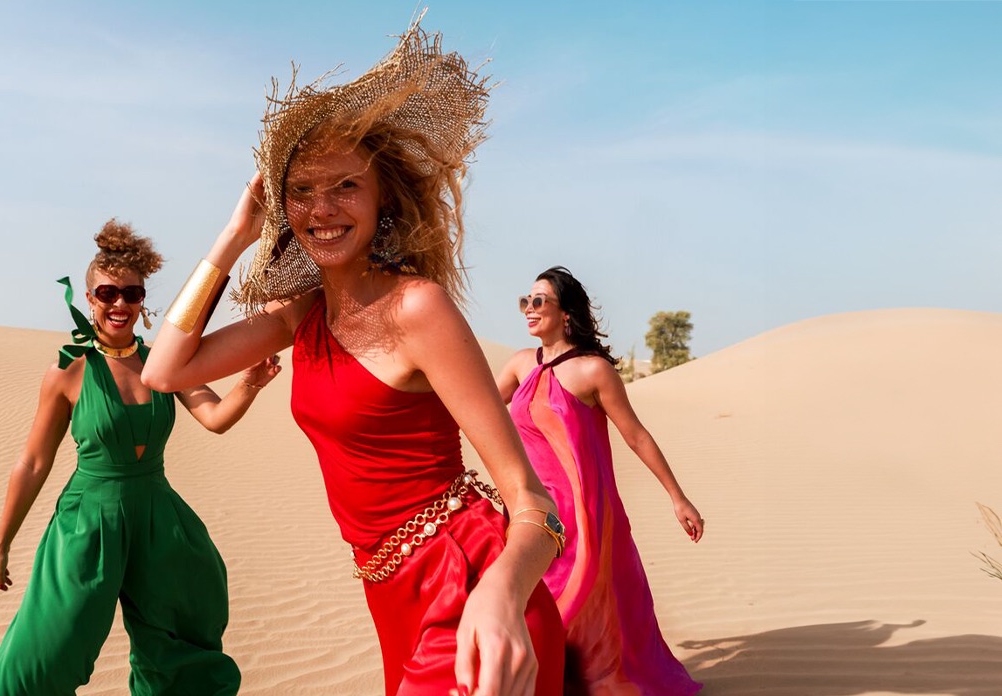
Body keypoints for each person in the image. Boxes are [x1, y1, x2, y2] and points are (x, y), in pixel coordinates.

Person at [141, 22, 567, 696]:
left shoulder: (418, 308)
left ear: (381, 199)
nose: (322, 209)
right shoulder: (303, 315)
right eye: (301, 191)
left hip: (468, 587)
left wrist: (500, 597)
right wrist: (231, 236)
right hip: (389, 593)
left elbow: (536, 507)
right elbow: (165, 371)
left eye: (344, 186)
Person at [0, 219, 279, 695]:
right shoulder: (67, 373)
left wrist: (249, 383)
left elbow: (216, 417)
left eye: (132, 294)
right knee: (47, 649)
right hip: (89, 521)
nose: (120, 303)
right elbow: (33, 463)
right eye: (108, 292)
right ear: (89, 299)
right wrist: (2, 542)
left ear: (144, 303)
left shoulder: (163, 362)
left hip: (158, 520)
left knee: (181, 651)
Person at [499, 266, 704, 695]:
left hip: (581, 514)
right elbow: (479, 409)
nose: (528, 310)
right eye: (526, 301)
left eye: (539, 302)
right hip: (529, 510)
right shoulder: (520, 364)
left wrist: (678, 497)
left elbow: (636, 435)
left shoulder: (593, 372)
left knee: (575, 606)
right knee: (530, 601)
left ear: (566, 314)